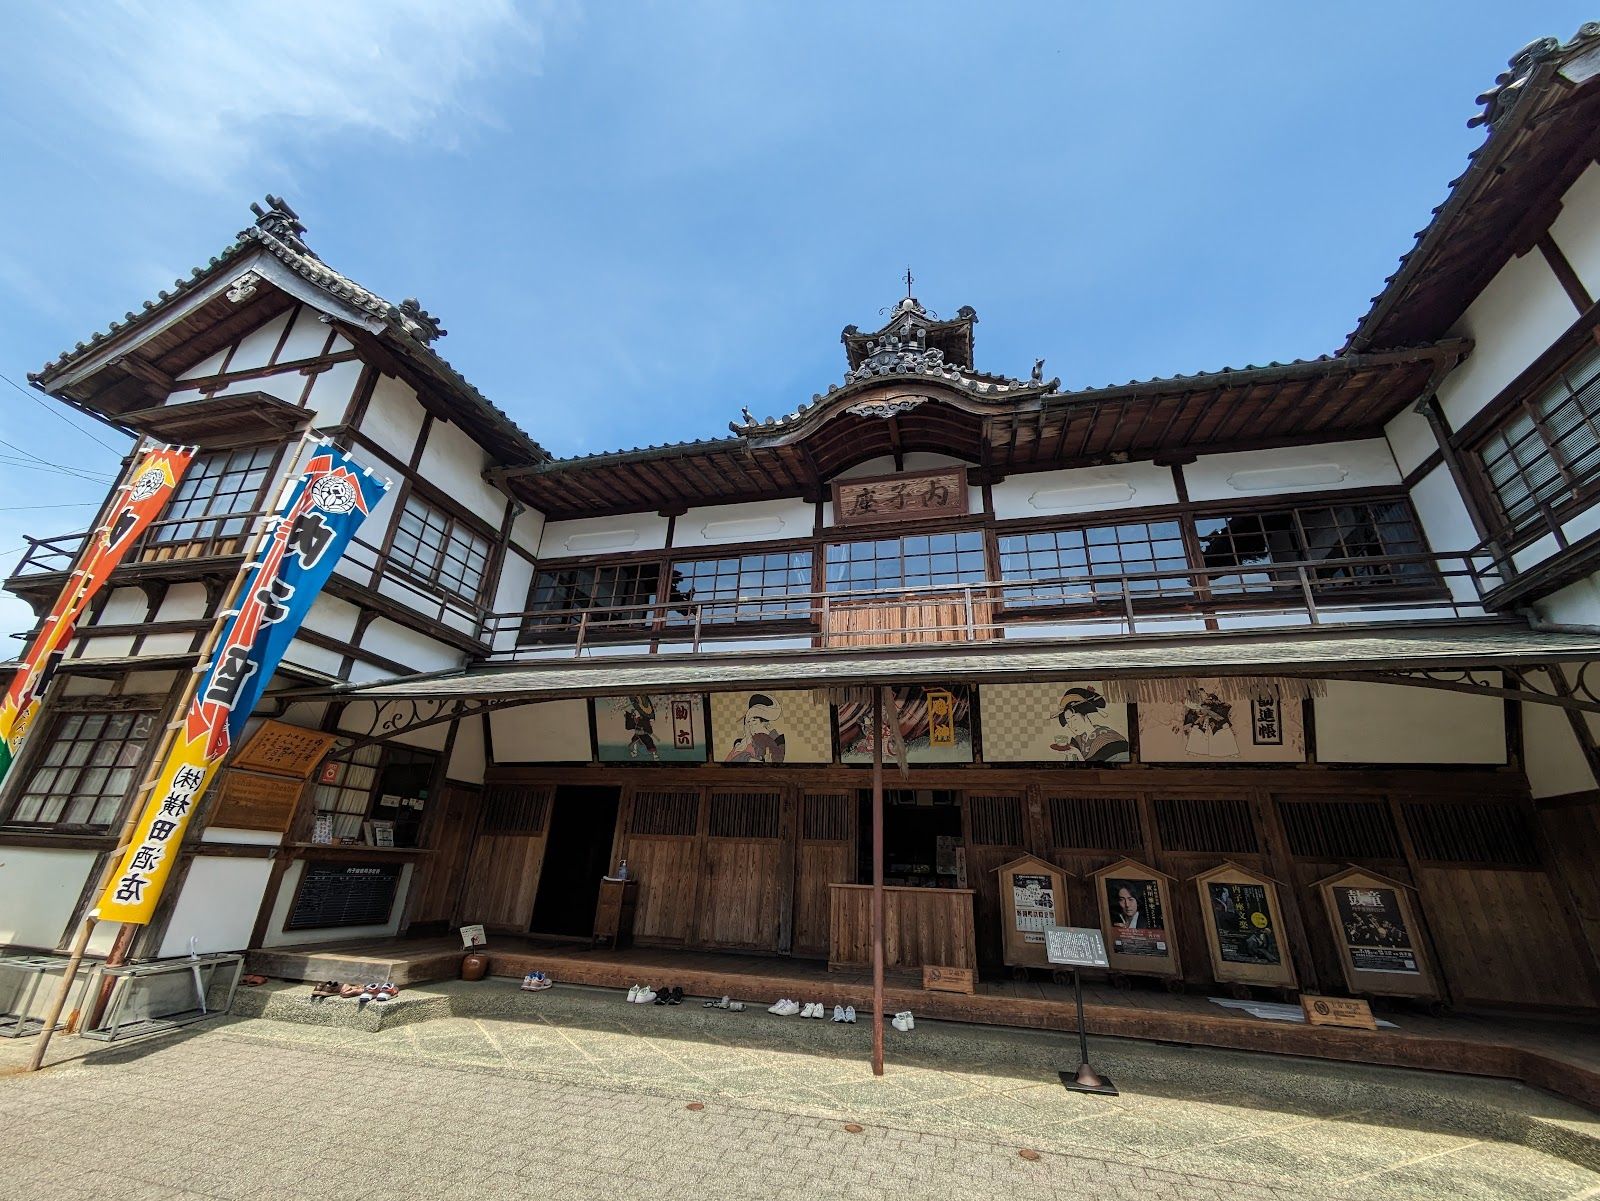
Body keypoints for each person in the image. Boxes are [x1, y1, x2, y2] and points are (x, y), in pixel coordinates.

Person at [1049, 688, 1131, 763]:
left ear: (1085, 716)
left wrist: (1078, 754)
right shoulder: (1078, 741)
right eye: (1068, 721)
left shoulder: (1109, 738)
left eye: (1074, 719)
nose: (1072, 725)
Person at [725, 693, 787, 763]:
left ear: (764, 723)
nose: (751, 726)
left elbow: (777, 761)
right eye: (749, 723)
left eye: (754, 722)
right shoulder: (744, 743)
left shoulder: (776, 740)